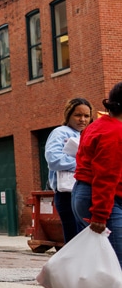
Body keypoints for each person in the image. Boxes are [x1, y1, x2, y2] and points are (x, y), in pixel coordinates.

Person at [71, 82, 122, 288]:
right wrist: (100, 214)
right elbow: (106, 176)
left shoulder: (98, 126)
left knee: (109, 266)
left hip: (87, 193)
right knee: (115, 269)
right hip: (103, 201)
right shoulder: (114, 132)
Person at [44, 98, 93, 244]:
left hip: (87, 192)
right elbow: (54, 159)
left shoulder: (90, 133)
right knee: (74, 238)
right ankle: (73, 267)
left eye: (86, 116)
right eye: (78, 115)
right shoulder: (60, 133)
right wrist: (83, 164)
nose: (82, 120)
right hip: (67, 194)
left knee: (87, 238)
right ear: (68, 115)